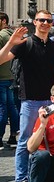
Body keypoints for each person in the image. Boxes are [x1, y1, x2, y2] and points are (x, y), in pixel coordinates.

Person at [0, 11, 54, 182]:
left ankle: (45, 175)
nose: (45, 23)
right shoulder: (24, 43)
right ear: (34, 22)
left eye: (48, 20)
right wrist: (12, 41)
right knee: (25, 140)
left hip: (49, 100)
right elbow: (1, 59)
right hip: (29, 100)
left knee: (50, 138)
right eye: (41, 20)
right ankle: (22, 179)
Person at [0, 12, 18, 149]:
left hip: (1, 76)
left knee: (2, 108)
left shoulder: (1, 36)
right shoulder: (12, 35)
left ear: (3, 21)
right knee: (12, 108)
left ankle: (0, 138)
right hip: (11, 76)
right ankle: (12, 136)